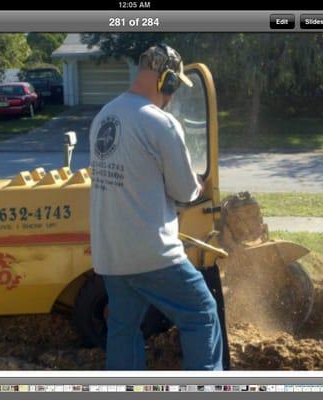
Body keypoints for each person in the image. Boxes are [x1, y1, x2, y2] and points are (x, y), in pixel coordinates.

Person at [89, 44, 227, 370]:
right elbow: (184, 191)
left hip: (111, 255)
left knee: (123, 329)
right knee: (201, 314)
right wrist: (198, 185)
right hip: (152, 254)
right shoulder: (159, 123)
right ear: (166, 80)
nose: (173, 93)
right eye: (174, 85)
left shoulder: (104, 116)